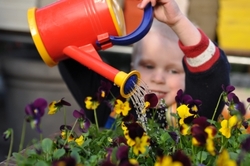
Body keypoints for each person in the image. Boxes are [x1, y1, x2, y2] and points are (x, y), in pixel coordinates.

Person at [58, 0, 230, 127]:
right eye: (148, 66)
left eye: (173, 71)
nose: (158, 78)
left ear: (191, 75)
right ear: (133, 67)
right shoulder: (113, 105)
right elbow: (66, 46)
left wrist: (178, 22)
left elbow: (213, 77)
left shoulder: (190, 115)